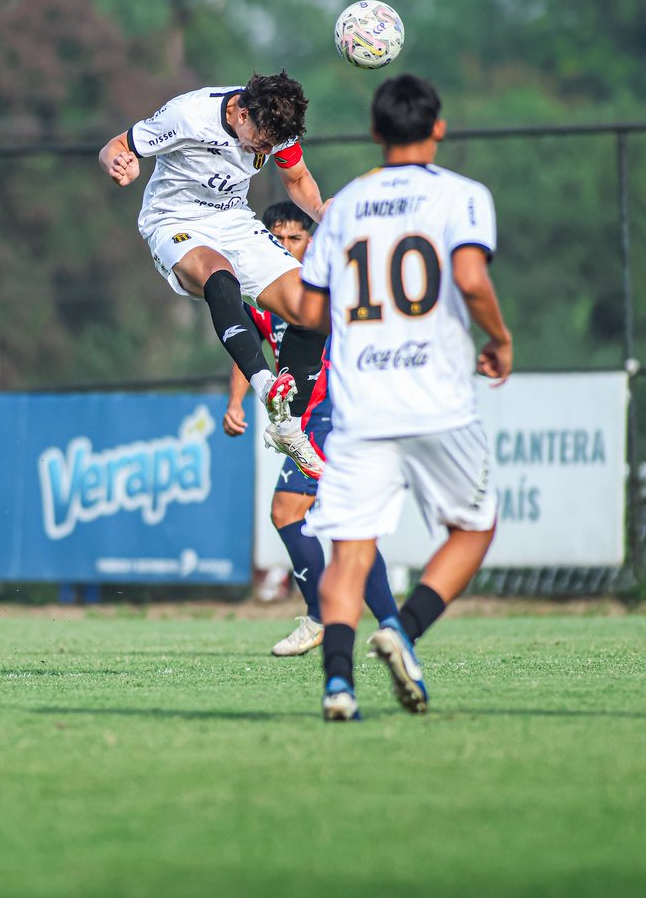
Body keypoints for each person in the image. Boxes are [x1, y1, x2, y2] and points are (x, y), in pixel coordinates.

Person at [297, 73, 513, 721]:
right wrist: (498, 336)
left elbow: (311, 309)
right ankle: (404, 630)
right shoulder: (464, 196)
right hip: (438, 399)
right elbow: (471, 278)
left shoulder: (347, 205)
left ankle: (338, 686)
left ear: (374, 132)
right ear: (438, 128)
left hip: (362, 403)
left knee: (351, 549)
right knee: (474, 526)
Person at [99, 73, 327, 479]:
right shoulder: (189, 115)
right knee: (220, 275)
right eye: (260, 142)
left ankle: (287, 425)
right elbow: (115, 146)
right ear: (241, 112)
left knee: (314, 310)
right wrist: (119, 163)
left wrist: (321, 212)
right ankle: (263, 384)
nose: (265, 150)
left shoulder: (278, 126)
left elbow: (297, 179)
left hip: (234, 222)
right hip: (174, 221)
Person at [224, 200, 400, 657]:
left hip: (332, 413)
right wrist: (235, 402)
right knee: (346, 520)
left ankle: (323, 616)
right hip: (306, 419)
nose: (284, 246)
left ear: (312, 241)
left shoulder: (323, 288)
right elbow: (250, 352)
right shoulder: (262, 298)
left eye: (294, 238)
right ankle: (391, 623)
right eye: (275, 239)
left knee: (288, 512)